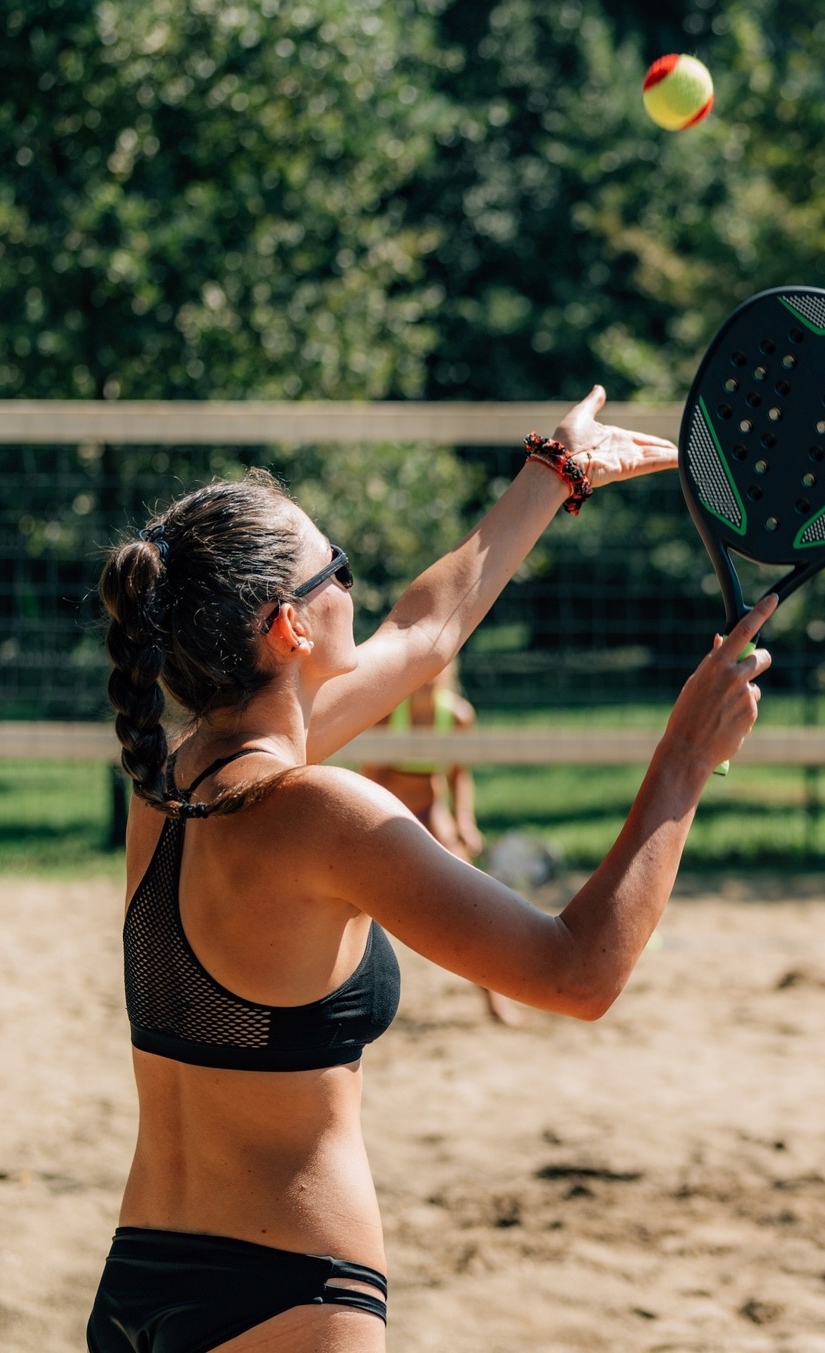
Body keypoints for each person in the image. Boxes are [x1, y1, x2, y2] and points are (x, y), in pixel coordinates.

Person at [88, 386, 775, 1352]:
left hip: (136, 1289)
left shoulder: (170, 781)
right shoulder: (325, 813)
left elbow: (425, 634)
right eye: (341, 569)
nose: (358, 589)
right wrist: (684, 762)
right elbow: (578, 974)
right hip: (285, 1296)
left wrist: (556, 472)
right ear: (288, 628)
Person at [362, 662, 520, 1024]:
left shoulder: (458, 715)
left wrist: (465, 821)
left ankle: (494, 1000)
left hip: (432, 808)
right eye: (426, 666)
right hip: (387, 807)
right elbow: (370, 779)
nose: (431, 674)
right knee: (358, 900)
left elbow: (459, 776)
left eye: (440, 667)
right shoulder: (388, 712)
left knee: (472, 902)